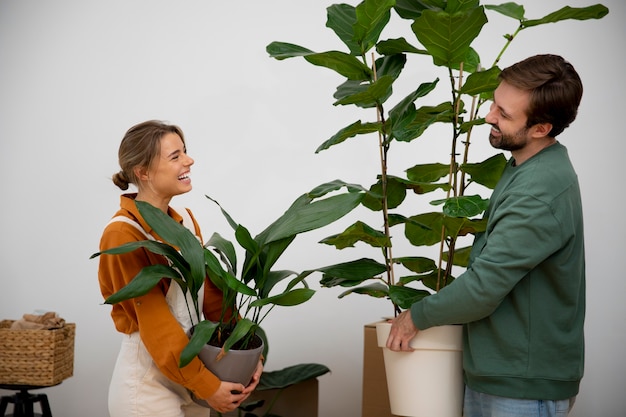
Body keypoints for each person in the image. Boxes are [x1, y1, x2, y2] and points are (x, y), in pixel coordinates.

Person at [386, 54, 585, 417]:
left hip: (520, 390)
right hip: (504, 377)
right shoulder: (527, 167)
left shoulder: (538, 189)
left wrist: (414, 316)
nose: (489, 115)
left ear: (541, 128)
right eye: (495, 103)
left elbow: (482, 289)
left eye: (504, 114)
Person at [98, 120, 263, 417]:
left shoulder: (185, 221)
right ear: (143, 172)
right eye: (175, 156)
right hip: (148, 389)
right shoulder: (123, 234)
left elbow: (214, 301)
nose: (189, 160)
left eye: (185, 152)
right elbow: (158, 328)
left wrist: (244, 352)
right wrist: (208, 387)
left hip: (193, 376)